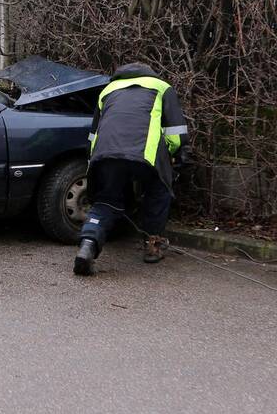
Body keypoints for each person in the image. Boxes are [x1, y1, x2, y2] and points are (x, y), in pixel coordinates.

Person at [74, 63, 190, 276]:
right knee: (158, 191)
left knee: (106, 200)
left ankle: (88, 244)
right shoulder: (162, 87)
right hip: (144, 153)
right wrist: (172, 156)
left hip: (105, 153)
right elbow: (176, 135)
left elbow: (93, 135)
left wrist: (95, 159)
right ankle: (153, 244)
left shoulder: (108, 90)